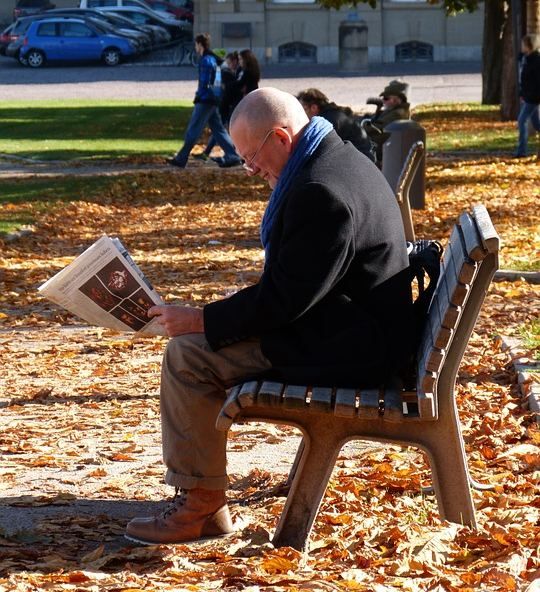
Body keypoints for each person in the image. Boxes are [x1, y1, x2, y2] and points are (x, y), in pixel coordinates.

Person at [125, 87, 414, 546]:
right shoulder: (338, 159)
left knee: (188, 357)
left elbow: (283, 303)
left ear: (281, 137)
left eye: (251, 156)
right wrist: (221, 311)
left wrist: (201, 319)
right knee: (197, 344)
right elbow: (298, 284)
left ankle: (199, 505)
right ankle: (201, 498)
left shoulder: (321, 191)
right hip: (352, 329)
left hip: (352, 350)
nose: (250, 168)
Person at [167, 33, 242, 169]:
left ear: (200, 44)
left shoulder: (206, 60)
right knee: (218, 129)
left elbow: (205, 83)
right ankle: (233, 155)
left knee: (194, 129)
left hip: (206, 99)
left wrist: (200, 96)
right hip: (212, 99)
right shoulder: (211, 59)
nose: (195, 47)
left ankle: (182, 158)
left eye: (196, 44)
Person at [296, 87, 375, 161]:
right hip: (360, 156)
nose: (301, 113)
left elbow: (317, 149)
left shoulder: (327, 121)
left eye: (304, 109)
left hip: (359, 159)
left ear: (314, 108)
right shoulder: (332, 113)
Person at [197, 51, 242, 162]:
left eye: (230, 62)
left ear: (234, 61)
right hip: (227, 105)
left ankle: (233, 153)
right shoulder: (230, 73)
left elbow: (230, 89)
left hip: (229, 105)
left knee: (220, 130)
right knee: (220, 129)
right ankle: (232, 153)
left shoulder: (231, 73)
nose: (229, 65)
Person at [362, 79, 411, 165]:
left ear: (396, 100)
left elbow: (377, 128)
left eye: (386, 98)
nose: (383, 101)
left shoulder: (397, 114)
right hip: (383, 148)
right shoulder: (393, 110)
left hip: (382, 152)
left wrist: (362, 126)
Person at [515, 34, 540, 158]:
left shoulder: (536, 61)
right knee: (536, 124)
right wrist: (522, 93)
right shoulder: (525, 59)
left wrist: (530, 95)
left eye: (523, 45)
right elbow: (523, 79)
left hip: (533, 97)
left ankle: (521, 151)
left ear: (529, 46)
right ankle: (522, 151)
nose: (521, 47)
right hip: (527, 96)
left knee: (522, 120)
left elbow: (536, 81)